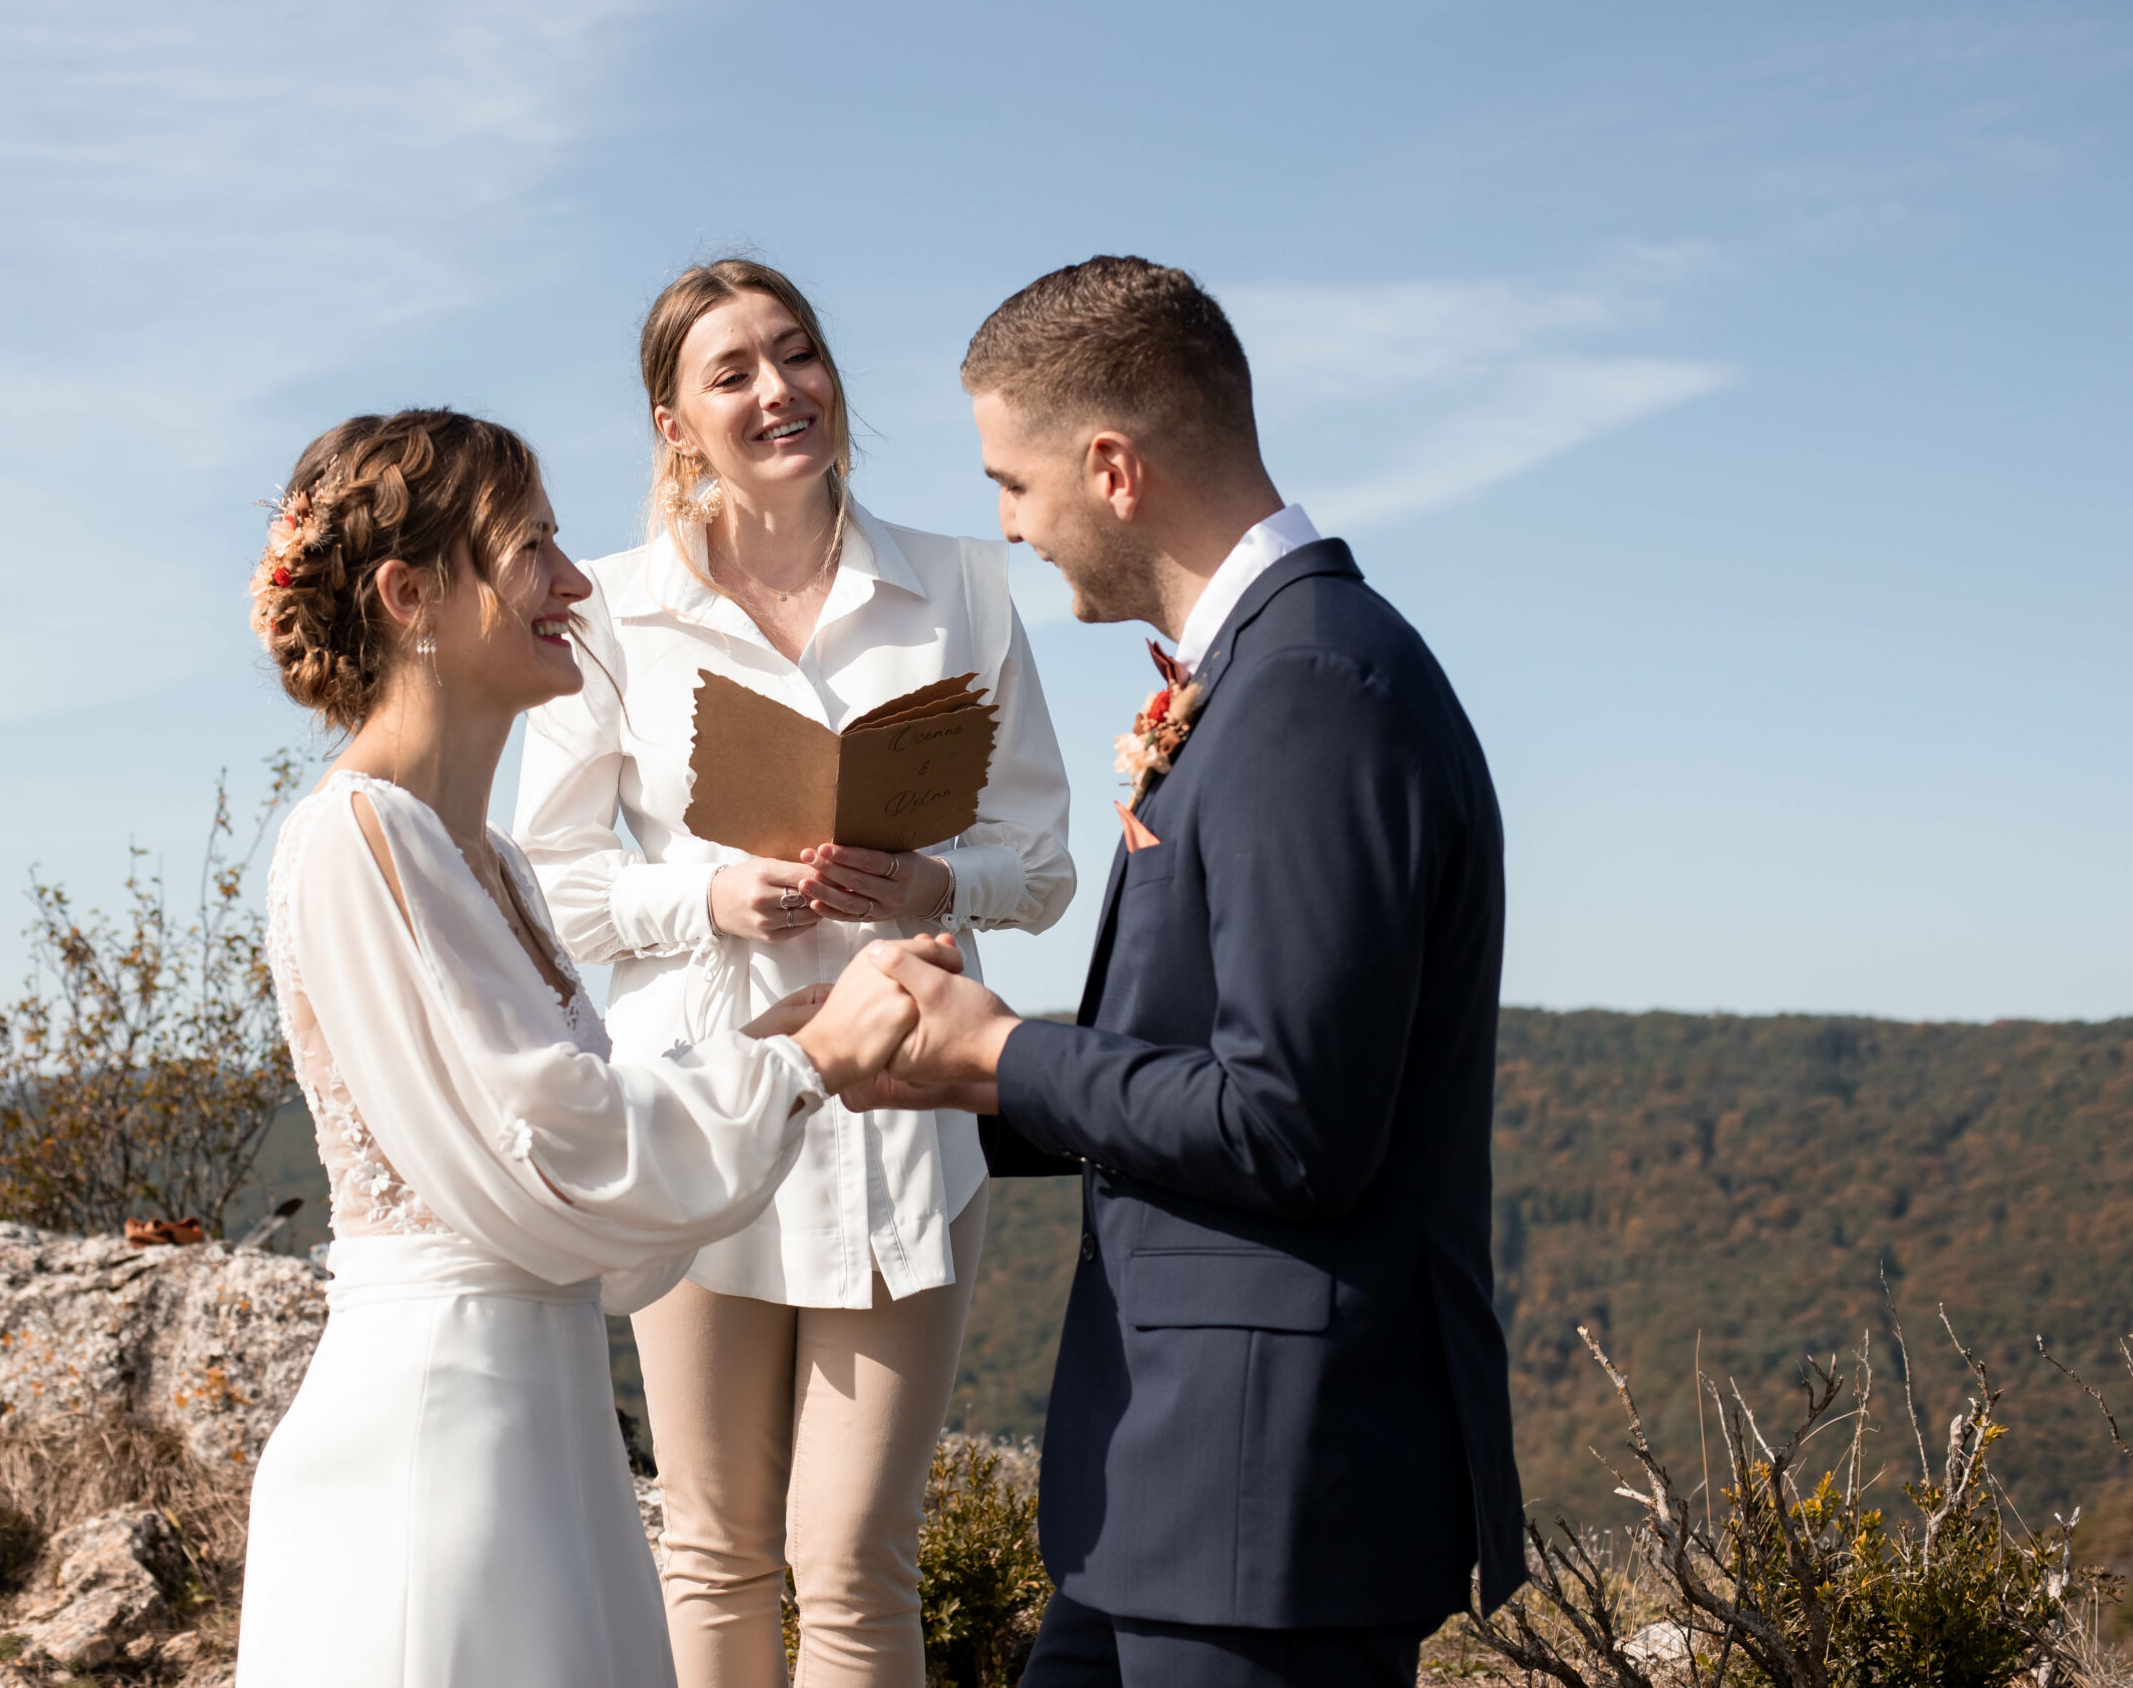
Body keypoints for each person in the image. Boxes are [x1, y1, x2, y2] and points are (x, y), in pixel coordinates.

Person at [860, 258, 1529, 1688]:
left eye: (1012, 482)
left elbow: (1291, 1124)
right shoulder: (1265, 675)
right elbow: (1189, 1065)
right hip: (1174, 1495)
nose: (1007, 523)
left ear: (1112, 469)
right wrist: (941, 1064)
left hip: (1269, 1500)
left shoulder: (1311, 691)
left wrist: (1002, 1053)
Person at [231, 408, 957, 1688]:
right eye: (531, 548)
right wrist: (806, 1069)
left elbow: (584, 1122)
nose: (575, 582)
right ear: (410, 596)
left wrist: (781, 1033)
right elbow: (555, 1144)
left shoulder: (494, 861)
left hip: (542, 1416)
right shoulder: (354, 839)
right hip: (436, 1445)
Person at [514, 259, 1075, 1687]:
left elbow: (1042, 860)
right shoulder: (608, 612)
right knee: (713, 1550)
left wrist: (939, 883)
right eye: (734, 371)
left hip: (902, 1108)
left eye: (799, 352)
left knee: (857, 1558)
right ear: (674, 423)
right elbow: (549, 883)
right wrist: (707, 895)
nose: (780, 389)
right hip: (697, 1104)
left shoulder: (960, 585)